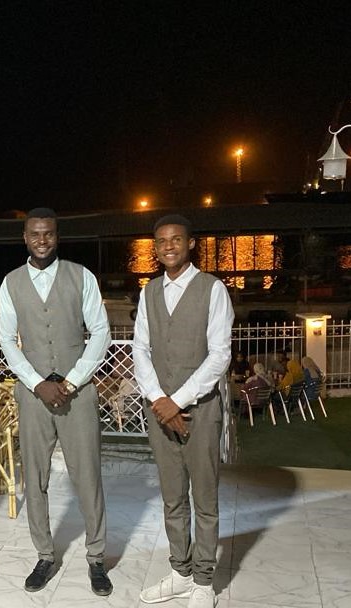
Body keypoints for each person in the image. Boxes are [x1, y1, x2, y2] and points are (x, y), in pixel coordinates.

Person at [0, 207, 113, 597]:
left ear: (57, 236)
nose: (42, 240)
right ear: (25, 238)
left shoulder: (82, 276)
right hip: (33, 396)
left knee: (88, 476)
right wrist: (36, 383)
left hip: (77, 392)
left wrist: (72, 380)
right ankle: (44, 554)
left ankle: (96, 558)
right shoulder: (11, 283)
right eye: (35, 234)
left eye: (48, 233)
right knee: (35, 477)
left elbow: (100, 332)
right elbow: (7, 340)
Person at [134, 214, 234, 608]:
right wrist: (159, 399)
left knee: (204, 498)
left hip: (201, 411)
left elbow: (219, 355)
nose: (169, 246)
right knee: (172, 496)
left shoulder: (213, 289)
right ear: (156, 249)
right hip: (160, 410)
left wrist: (178, 401)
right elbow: (140, 349)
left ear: (190, 243)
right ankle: (180, 571)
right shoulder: (149, 292)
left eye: (176, 239)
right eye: (161, 241)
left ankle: (204, 582)